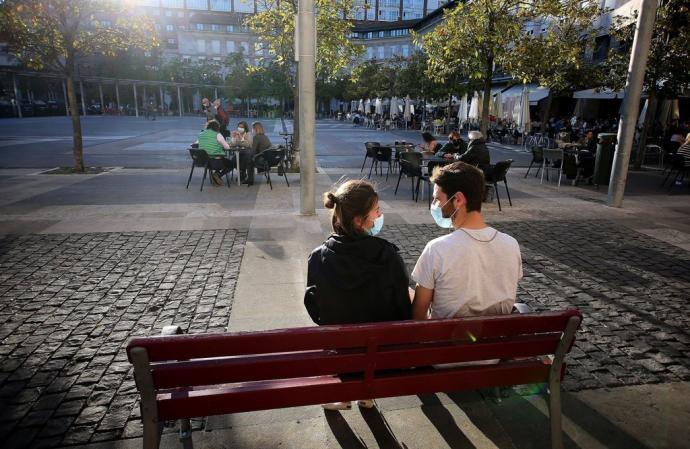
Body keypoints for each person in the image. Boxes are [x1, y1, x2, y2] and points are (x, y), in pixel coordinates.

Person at [304, 180, 412, 410]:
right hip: (382, 356)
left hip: (340, 352)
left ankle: (345, 395)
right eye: (376, 211)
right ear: (358, 220)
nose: (380, 215)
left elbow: (315, 308)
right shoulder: (388, 255)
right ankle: (366, 394)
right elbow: (403, 307)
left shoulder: (317, 258)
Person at [411, 162, 522, 320]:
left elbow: (418, 315)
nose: (434, 205)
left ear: (458, 199)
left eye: (437, 199)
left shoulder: (437, 249)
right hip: (497, 340)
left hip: (445, 341)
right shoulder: (511, 245)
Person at [197, 120, 233, 186]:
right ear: (217, 127)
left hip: (203, 162)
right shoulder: (217, 135)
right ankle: (217, 175)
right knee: (232, 164)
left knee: (223, 160)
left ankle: (215, 177)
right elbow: (227, 147)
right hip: (216, 162)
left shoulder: (200, 134)